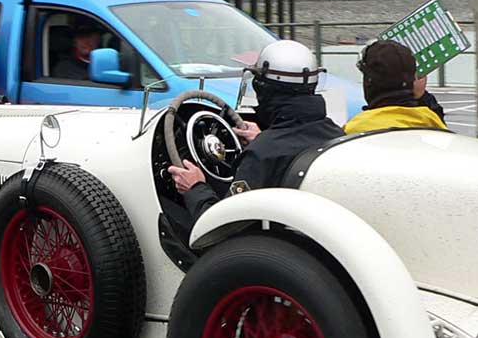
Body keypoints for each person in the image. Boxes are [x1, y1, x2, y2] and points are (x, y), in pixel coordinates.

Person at [168, 40, 343, 221]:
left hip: (264, 236)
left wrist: (195, 188)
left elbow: (223, 223)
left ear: (263, 89)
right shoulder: (336, 135)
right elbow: (292, 148)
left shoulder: (262, 155)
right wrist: (262, 137)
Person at [342, 39, 449, 135]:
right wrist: (421, 96)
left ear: (369, 82)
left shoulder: (355, 130)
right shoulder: (432, 122)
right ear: (413, 80)